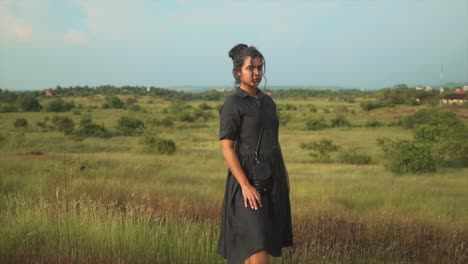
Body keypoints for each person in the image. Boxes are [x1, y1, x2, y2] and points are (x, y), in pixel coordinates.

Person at [217, 43, 294, 264]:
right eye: (251, 68)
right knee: (257, 245)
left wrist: (285, 174)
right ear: (238, 72)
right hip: (246, 182)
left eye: (260, 67)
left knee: (259, 249)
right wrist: (245, 185)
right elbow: (227, 147)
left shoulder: (268, 102)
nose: (257, 72)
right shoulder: (233, 103)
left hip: (271, 178)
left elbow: (274, 141)